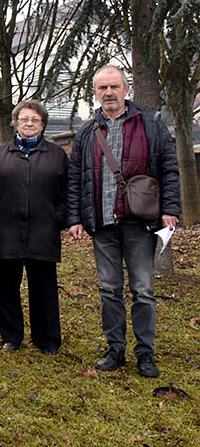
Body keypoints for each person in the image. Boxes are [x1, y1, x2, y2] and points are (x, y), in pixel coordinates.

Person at [67, 65, 180, 378]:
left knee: (143, 290)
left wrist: (170, 209)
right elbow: (75, 176)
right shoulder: (88, 131)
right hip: (102, 223)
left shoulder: (150, 123)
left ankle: (145, 352)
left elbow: (169, 169)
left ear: (126, 89)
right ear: (94, 93)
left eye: (114, 87)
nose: (108, 93)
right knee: (109, 290)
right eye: (102, 88)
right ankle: (115, 348)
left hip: (140, 223)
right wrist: (75, 217)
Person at [0, 100, 67, 355]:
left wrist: (56, 218)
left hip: (43, 230)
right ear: (15, 122)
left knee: (44, 288)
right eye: (24, 119)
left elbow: (66, 192)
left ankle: (47, 339)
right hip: (5, 231)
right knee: (7, 288)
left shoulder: (57, 155)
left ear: (43, 125)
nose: (29, 124)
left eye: (35, 120)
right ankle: (11, 336)